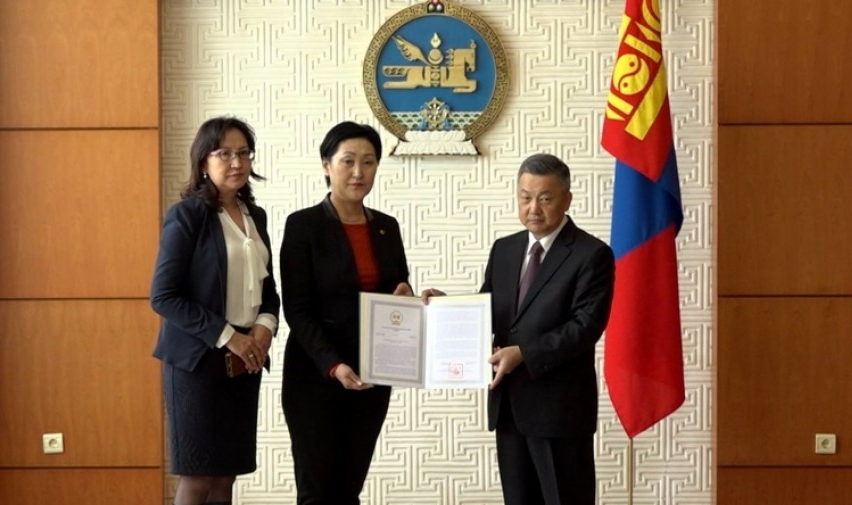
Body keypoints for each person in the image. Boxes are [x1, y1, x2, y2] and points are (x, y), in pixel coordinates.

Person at [423, 153, 615, 505]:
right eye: (525, 197)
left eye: (545, 198)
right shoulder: (505, 249)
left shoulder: (591, 254)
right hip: (509, 408)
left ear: (567, 199)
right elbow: (487, 311)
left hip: (559, 412)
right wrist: (444, 307)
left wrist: (524, 354)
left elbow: (585, 327)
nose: (533, 208)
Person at [280, 121, 414, 505]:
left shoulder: (387, 227)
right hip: (316, 375)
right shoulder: (303, 225)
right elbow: (297, 309)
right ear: (327, 165)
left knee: (348, 489)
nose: (359, 172)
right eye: (348, 161)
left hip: (373, 374)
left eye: (369, 162)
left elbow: (398, 289)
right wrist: (333, 364)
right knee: (317, 492)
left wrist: (408, 297)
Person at [150, 116, 280, 505]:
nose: (237, 162)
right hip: (197, 362)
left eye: (244, 153)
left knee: (226, 476)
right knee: (198, 478)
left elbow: (268, 289)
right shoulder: (188, 214)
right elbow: (163, 295)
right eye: (224, 153)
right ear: (203, 160)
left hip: (244, 362)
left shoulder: (255, 216)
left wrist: (264, 327)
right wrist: (229, 336)